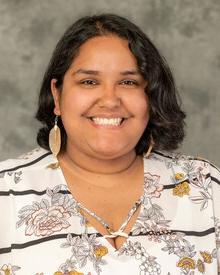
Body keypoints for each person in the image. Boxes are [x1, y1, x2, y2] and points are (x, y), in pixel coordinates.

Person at [0, 13, 219, 275]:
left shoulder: (204, 186)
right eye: (89, 81)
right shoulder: (6, 192)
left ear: (150, 96)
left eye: (128, 82)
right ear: (57, 96)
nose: (109, 99)